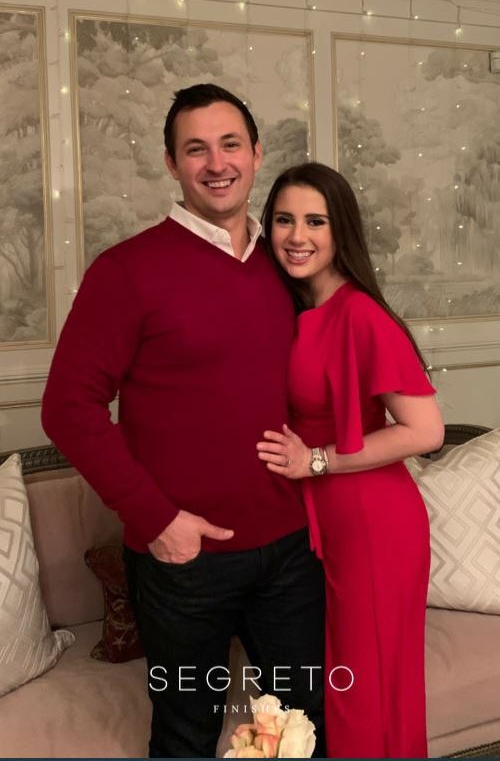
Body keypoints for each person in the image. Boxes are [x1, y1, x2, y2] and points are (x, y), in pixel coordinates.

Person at [41, 84, 325, 760]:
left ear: (256, 154)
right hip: (182, 562)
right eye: (196, 149)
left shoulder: (290, 265)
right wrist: (158, 521)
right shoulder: (127, 270)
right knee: (186, 734)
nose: (216, 163)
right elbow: (67, 407)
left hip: (291, 549)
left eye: (230, 145)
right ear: (171, 163)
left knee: (302, 725)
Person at [257, 162, 444, 760]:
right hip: (326, 521)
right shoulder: (294, 307)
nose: (297, 236)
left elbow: (426, 430)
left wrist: (315, 460)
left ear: (341, 231)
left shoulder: (359, 314)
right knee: (342, 683)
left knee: (362, 690)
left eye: (316, 221)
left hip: (372, 524)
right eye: (284, 220)